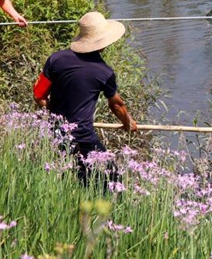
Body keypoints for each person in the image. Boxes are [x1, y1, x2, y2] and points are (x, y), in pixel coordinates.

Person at [33, 11, 138, 185]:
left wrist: (56, 118)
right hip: (83, 136)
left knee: (68, 179)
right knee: (112, 182)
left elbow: (39, 95)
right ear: (103, 42)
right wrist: (128, 122)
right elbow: (117, 106)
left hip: (55, 134)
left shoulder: (56, 59)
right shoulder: (105, 72)